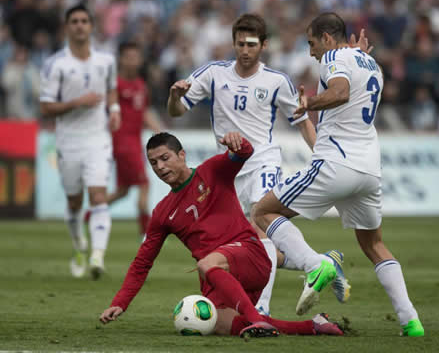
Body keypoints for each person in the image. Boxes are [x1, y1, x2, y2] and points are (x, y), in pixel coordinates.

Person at [253, 12, 425, 337]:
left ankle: (316, 265)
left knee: (263, 210)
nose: (311, 52)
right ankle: (411, 321)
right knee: (373, 243)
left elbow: (341, 92)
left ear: (328, 39)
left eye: (312, 43)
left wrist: (310, 103)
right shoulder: (369, 62)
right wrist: (357, 53)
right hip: (369, 169)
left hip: (337, 163)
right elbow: (353, 83)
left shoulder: (333, 56)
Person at [99, 131, 344, 338]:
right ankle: (313, 326)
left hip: (249, 256)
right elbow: (142, 263)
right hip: (218, 277)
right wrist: (120, 302)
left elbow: (244, 153)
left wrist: (238, 142)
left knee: (207, 263)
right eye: (153, 163)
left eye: (165, 158)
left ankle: (256, 320)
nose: (160, 167)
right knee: (217, 324)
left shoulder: (212, 171)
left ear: (181, 155)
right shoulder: (163, 212)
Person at [167, 13, 320, 316]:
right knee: (248, 242)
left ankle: (260, 309)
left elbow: (302, 122)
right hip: (229, 171)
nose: (245, 50)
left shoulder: (277, 81)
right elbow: (176, 112)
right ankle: (318, 262)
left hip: (263, 160)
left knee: (260, 221)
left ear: (263, 45)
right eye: (240, 44)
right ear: (234, 43)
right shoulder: (213, 74)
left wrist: (321, 156)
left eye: (251, 44)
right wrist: (174, 96)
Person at [39, 4, 120, 280]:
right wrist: (77, 103)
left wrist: (116, 111)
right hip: (68, 141)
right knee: (74, 202)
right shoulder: (56, 65)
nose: (80, 25)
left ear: (91, 26)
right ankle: (78, 247)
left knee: (98, 195)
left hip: (98, 138)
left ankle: (97, 256)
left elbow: (111, 90)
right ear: (67, 27)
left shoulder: (106, 61)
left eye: (84, 20)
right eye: (74, 21)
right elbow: (46, 107)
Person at [86, 42, 163, 236]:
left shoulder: (141, 85)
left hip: (135, 143)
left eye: (135, 57)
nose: (132, 61)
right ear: (121, 59)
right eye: (128, 57)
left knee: (123, 190)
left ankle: (89, 215)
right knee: (145, 185)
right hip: (122, 143)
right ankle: (145, 234)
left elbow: (143, 112)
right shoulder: (115, 85)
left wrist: (158, 130)